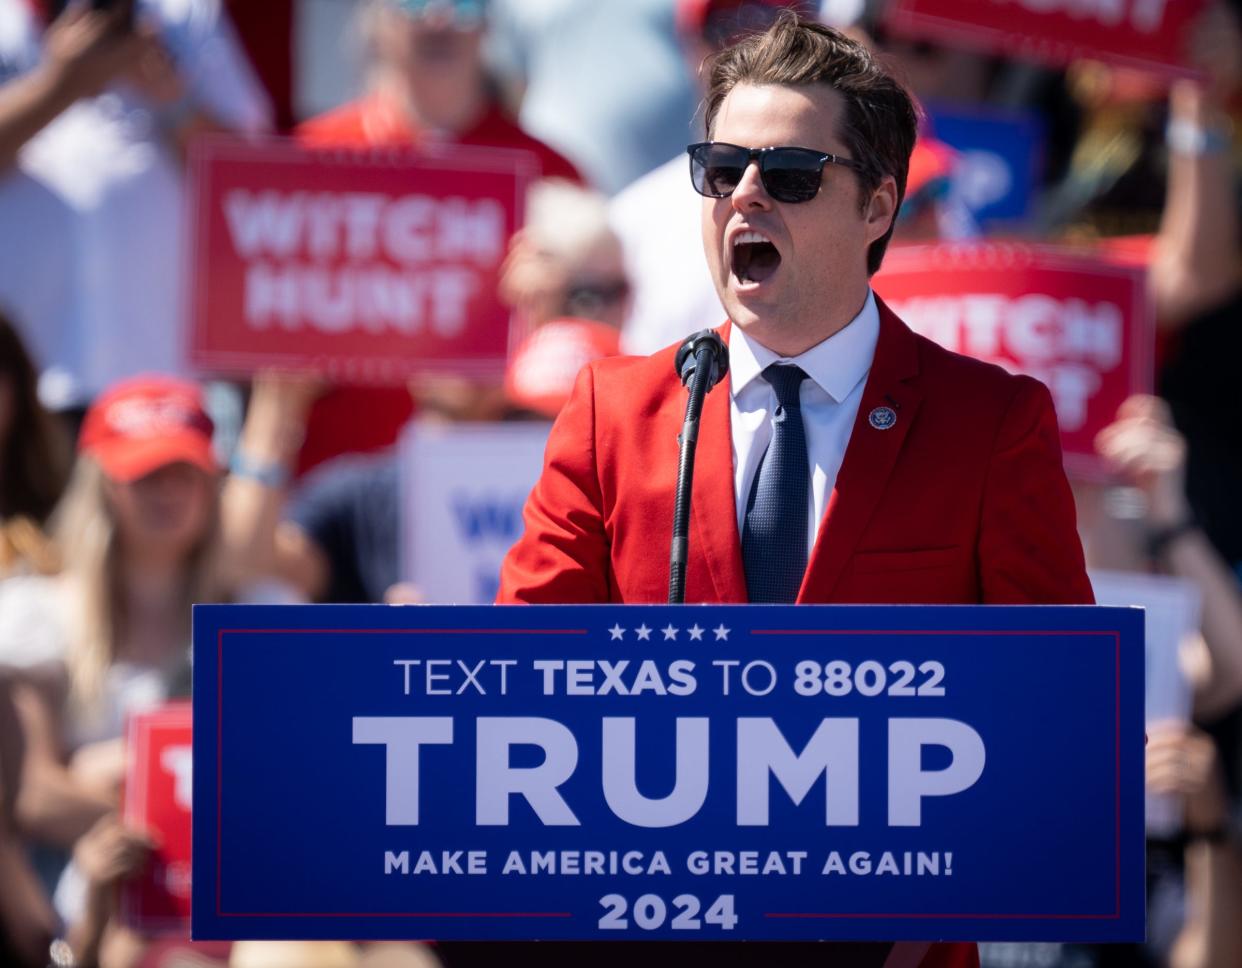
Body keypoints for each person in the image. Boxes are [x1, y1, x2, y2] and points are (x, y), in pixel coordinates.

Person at [498, 15, 1092, 968]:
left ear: (879, 207)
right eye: (719, 167)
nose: (743, 197)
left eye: (789, 175)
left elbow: (1055, 721)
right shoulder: (613, 409)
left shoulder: (991, 424)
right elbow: (525, 693)